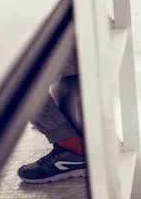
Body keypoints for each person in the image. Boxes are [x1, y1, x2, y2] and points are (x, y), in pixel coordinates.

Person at [16, 48, 88, 184]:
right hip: (83, 43)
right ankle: (69, 144)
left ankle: (72, 148)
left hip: (79, 48)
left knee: (12, 78)